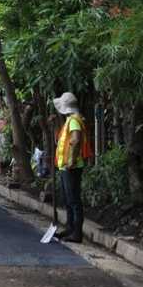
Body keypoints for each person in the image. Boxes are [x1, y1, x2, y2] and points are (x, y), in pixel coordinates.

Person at [53, 92, 91, 243]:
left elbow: (75, 140)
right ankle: (70, 229)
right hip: (66, 166)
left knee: (74, 200)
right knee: (69, 199)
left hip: (71, 167)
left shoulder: (74, 121)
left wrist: (71, 160)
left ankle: (76, 233)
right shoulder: (70, 120)